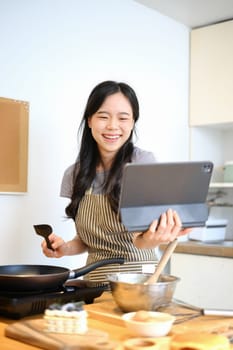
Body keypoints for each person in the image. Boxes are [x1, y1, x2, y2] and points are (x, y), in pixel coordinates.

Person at [42, 80, 192, 284]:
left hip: (138, 281)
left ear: (132, 122)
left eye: (123, 118)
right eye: (103, 117)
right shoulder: (74, 174)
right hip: (94, 281)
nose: (112, 126)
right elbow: (86, 241)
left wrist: (156, 237)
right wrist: (64, 248)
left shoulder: (142, 163)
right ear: (89, 120)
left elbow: (141, 240)